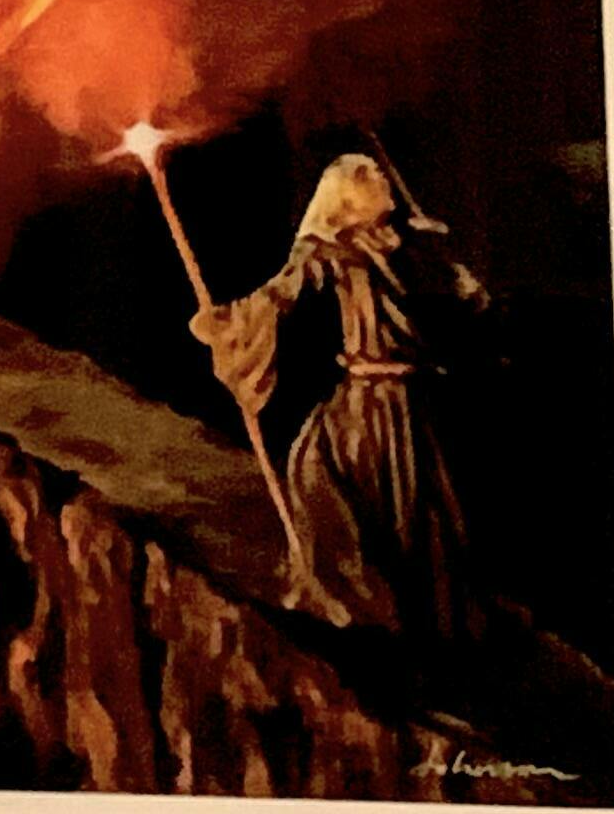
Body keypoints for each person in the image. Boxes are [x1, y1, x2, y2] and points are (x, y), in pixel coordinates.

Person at [187, 148, 486, 645]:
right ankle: (362, 605)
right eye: (365, 175)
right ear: (345, 197)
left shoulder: (411, 247)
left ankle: (427, 624)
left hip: (409, 404)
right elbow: (279, 296)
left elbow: (463, 304)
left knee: (419, 513)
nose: (379, 178)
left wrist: (446, 266)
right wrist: (232, 323)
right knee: (319, 470)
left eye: (377, 170)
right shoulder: (331, 254)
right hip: (365, 400)